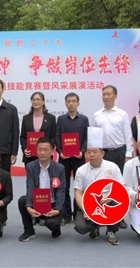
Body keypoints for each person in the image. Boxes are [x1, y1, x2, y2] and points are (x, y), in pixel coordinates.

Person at [73, 128, 123, 246]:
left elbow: (121, 188)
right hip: (89, 204)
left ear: (102, 153)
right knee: (81, 227)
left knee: (119, 202)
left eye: (95, 151)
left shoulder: (113, 167)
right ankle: (94, 227)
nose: (91, 155)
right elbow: (77, 193)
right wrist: (85, 209)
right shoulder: (81, 170)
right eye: (89, 152)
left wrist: (110, 198)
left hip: (108, 202)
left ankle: (111, 231)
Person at [92, 85, 133, 228]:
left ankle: (119, 216)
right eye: (104, 94)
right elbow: (95, 136)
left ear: (115, 96)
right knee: (102, 184)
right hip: (103, 153)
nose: (106, 97)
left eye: (109, 94)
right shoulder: (97, 115)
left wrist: (128, 155)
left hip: (119, 152)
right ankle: (101, 212)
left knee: (118, 186)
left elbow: (128, 135)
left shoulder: (122, 114)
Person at [18, 137, 66, 242]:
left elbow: (61, 191)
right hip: (37, 202)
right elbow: (30, 187)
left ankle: (56, 229)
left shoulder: (59, 168)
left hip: (52, 204)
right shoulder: (31, 166)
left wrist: (57, 209)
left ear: (52, 151)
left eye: (45, 150)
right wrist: (29, 206)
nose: (42, 153)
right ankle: (29, 231)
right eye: (39, 149)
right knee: (22, 201)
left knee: (52, 223)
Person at [56, 92, 88, 225]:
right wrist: (60, 151)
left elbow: (86, 138)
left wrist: (82, 151)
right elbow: (57, 137)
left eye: (73, 101)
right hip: (64, 159)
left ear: (78, 103)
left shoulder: (84, 119)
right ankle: (66, 215)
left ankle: (77, 213)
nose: (71, 104)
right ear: (65, 104)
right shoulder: (61, 119)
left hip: (78, 158)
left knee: (79, 186)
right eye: (68, 101)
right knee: (63, 187)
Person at [20, 91, 57, 165]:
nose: (36, 102)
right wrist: (25, 149)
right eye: (33, 100)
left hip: (45, 155)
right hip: (30, 156)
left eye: (38, 99)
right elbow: (23, 137)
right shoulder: (26, 118)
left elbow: (53, 136)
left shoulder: (51, 118)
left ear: (43, 102)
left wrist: (49, 149)